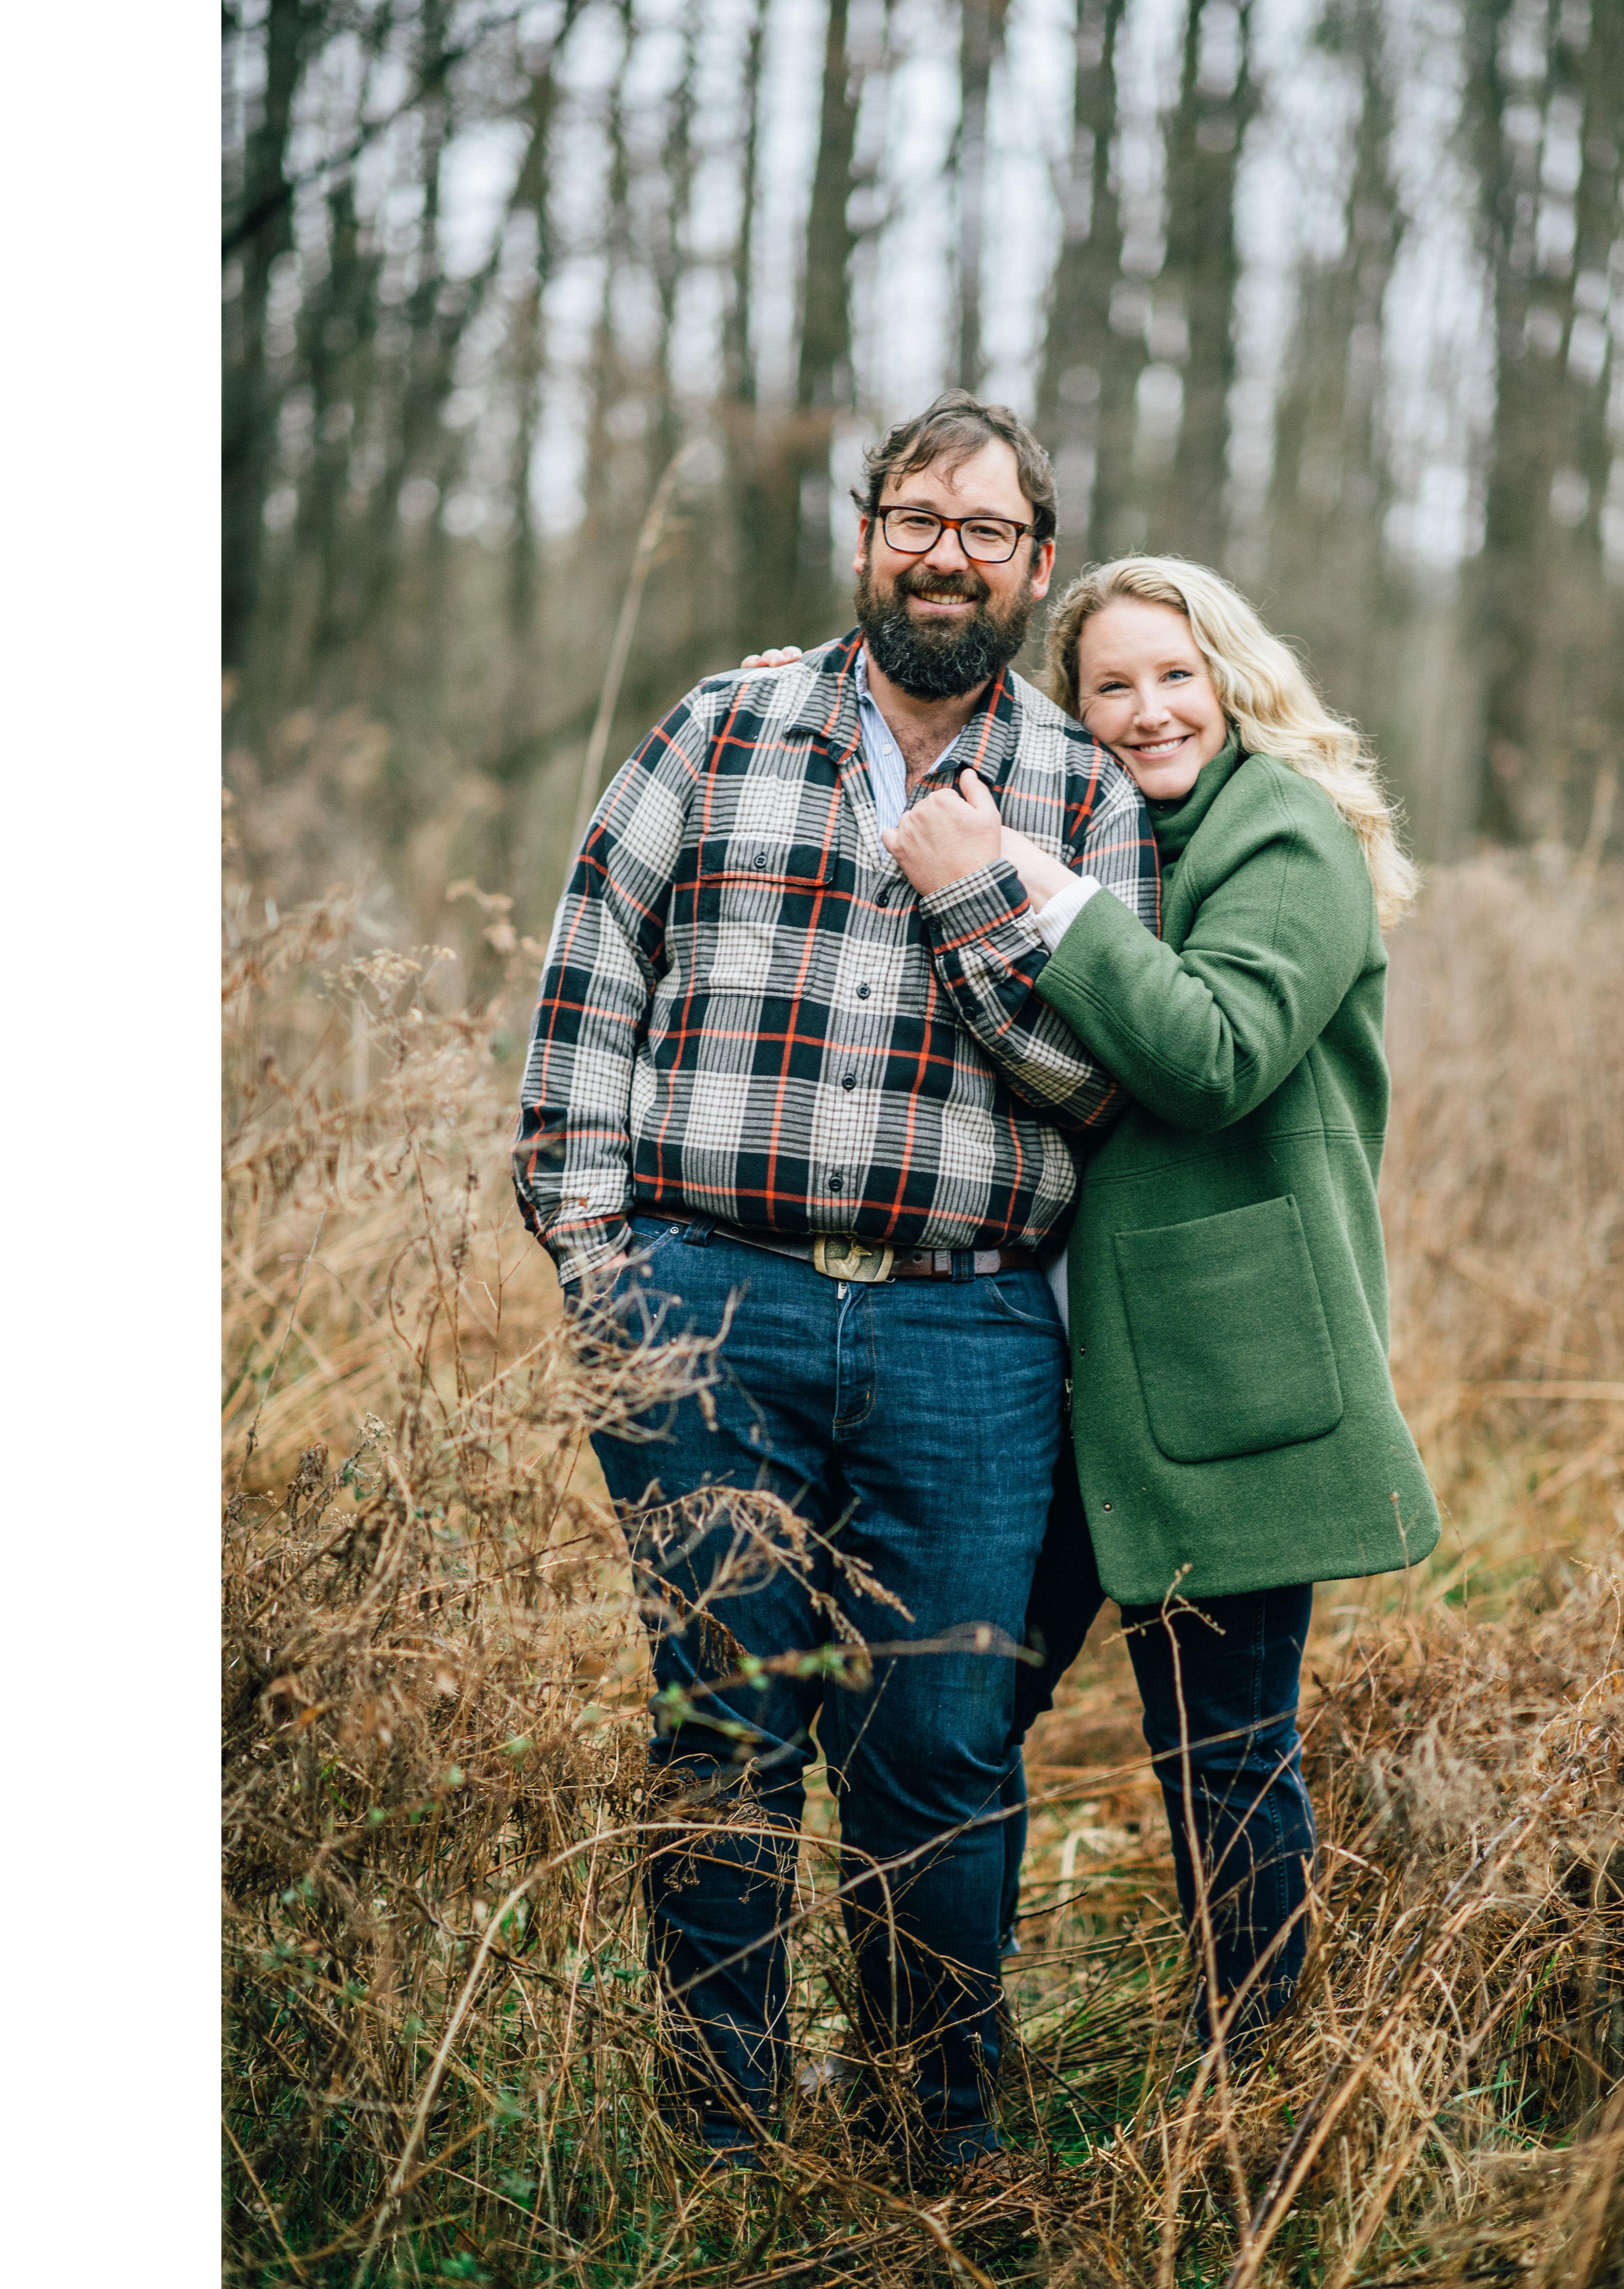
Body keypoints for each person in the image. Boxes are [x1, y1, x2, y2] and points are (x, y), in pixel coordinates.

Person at [512, 392, 1157, 2179]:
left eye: (987, 529)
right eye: (915, 516)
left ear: (1036, 565)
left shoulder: (1082, 794)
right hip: (710, 1303)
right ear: (868, 530)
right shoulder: (720, 728)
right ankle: (722, 2136)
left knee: (943, 1743)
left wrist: (972, 903)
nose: (944, 552)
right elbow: (588, 985)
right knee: (726, 1727)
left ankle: (932, 2134)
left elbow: (1100, 1074)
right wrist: (598, 1259)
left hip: (967, 1328)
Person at [881, 553, 1440, 2072]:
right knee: (961, 1720)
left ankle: (1249, 2089)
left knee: (1224, 1754)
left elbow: (1213, 1052)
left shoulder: (1285, 838)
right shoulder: (1098, 822)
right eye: (1109, 687)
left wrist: (1041, 897)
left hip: (1222, 1364)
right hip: (1049, 1359)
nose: (1144, 714)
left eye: (1173, 676)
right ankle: (943, 2059)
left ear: (1235, 680)